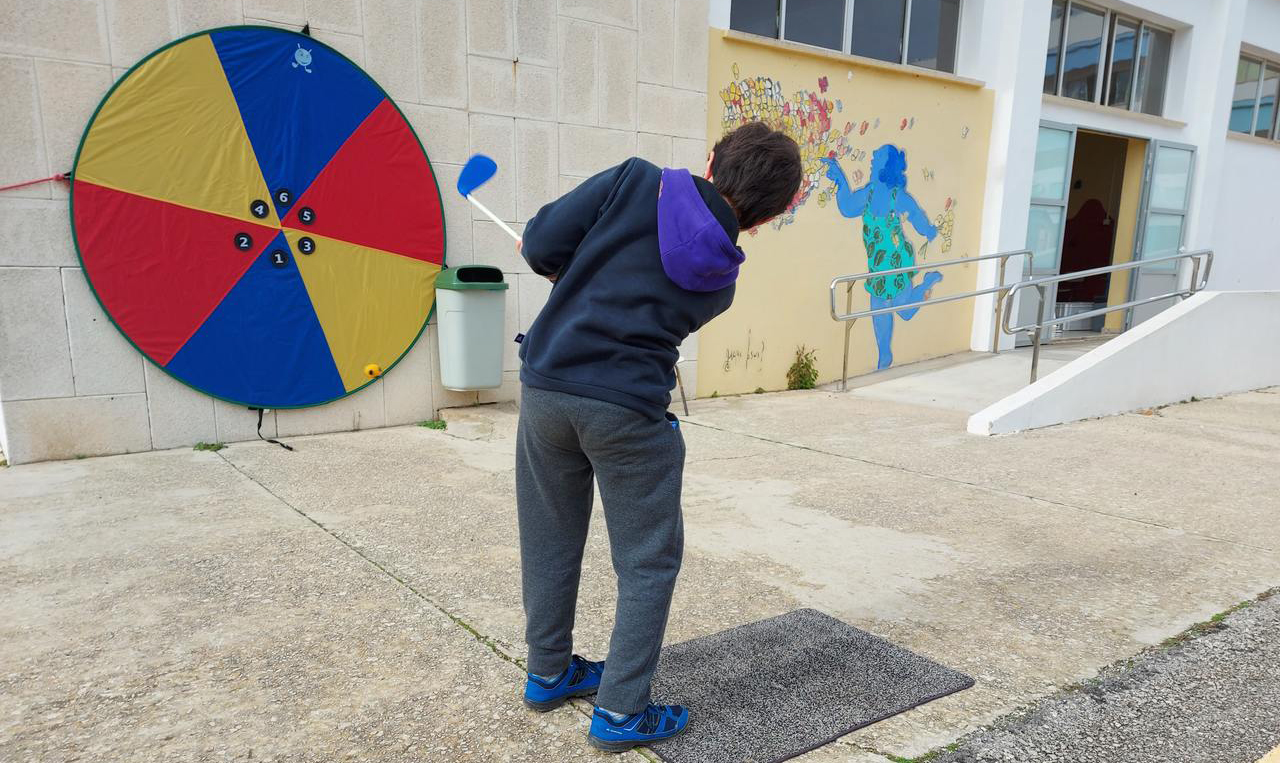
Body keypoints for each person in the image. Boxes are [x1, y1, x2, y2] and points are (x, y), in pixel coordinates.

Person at [512, 122, 802, 752]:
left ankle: (548, 672)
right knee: (646, 563)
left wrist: (566, 267)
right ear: (764, 219)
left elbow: (539, 245)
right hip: (627, 411)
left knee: (548, 537)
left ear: (712, 160)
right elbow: (647, 302)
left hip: (548, 390)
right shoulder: (722, 279)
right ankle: (620, 712)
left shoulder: (632, 180)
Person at [822, 146, 940, 370]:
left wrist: (929, 231)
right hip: (877, 267)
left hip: (897, 262)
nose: (872, 160)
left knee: (904, 311)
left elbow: (916, 215)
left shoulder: (898, 196)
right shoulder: (869, 193)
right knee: (879, 311)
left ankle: (926, 284)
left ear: (886, 167)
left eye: (877, 159)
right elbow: (847, 207)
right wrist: (839, 178)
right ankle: (884, 355)